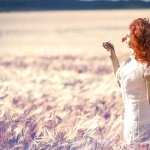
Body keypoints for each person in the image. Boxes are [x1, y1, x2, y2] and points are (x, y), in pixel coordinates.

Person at [102, 18, 150, 149]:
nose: (124, 36)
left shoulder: (146, 66)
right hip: (130, 126)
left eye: (128, 34)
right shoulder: (130, 61)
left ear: (137, 38)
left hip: (144, 131)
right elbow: (121, 80)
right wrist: (112, 54)